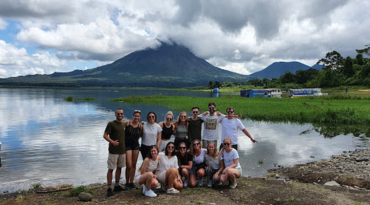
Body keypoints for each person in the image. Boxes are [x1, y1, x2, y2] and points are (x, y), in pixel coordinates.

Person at [103, 108, 126, 197]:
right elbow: (105, 135)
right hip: (113, 151)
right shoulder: (111, 124)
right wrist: (112, 142)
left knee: (119, 168)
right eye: (118, 114)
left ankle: (116, 185)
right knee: (111, 169)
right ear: (115, 115)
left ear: (123, 115)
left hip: (122, 150)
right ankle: (109, 188)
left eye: (121, 114)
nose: (120, 115)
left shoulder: (124, 124)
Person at [123, 110, 142, 190]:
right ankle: (127, 182)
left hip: (136, 146)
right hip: (127, 145)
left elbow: (141, 135)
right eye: (135, 116)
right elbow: (119, 127)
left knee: (134, 165)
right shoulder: (127, 123)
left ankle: (131, 182)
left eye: (138, 116)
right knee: (129, 165)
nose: (136, 117)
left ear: (140, 117)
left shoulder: (140, 126)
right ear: (133, 116)